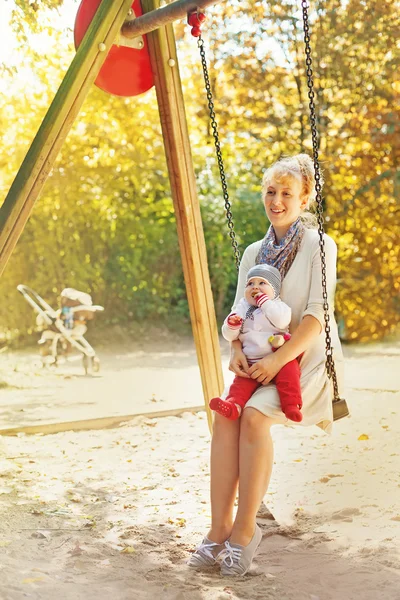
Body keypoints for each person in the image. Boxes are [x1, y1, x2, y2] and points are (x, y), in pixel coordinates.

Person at [188, 153, 344, 576]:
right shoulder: (255, 251)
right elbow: (240, 312)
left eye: (287, 193)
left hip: (302, 363)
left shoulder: (319, 245)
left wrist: (278, 359)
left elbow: (316, 316)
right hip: (256, 361)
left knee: (254, 417)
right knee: (226, 416)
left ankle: (244, 532)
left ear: (305, 198)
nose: (277, 201)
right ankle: (218, 529)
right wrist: (235, 351)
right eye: (271, 192)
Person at [209, 264, 303, 422]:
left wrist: (264, 302)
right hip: (250, 363)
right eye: (250, 284)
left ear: (275, 290)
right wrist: (232, 325)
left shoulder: (279, 306)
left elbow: (281, 322)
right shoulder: (242, 307)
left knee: (290, 374)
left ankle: (291, 405)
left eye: (262, 283)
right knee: (239, 386)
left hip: (277, 358)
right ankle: (233, 406)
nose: (255, 287)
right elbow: (229, 336)